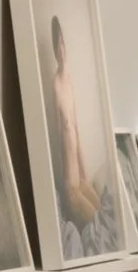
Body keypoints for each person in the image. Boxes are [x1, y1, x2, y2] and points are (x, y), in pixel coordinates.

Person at [47, 15, 110, 249]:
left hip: (80, 178)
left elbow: (75, 130)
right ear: (54, 50)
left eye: (63, 43)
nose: (61, 50)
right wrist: (67, 189)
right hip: (70, 185)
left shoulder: (70, 82)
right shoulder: (56, 84)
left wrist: (84, 174)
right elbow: (59, 134)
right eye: (57, 45)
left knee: (104, 213)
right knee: (97, 223)